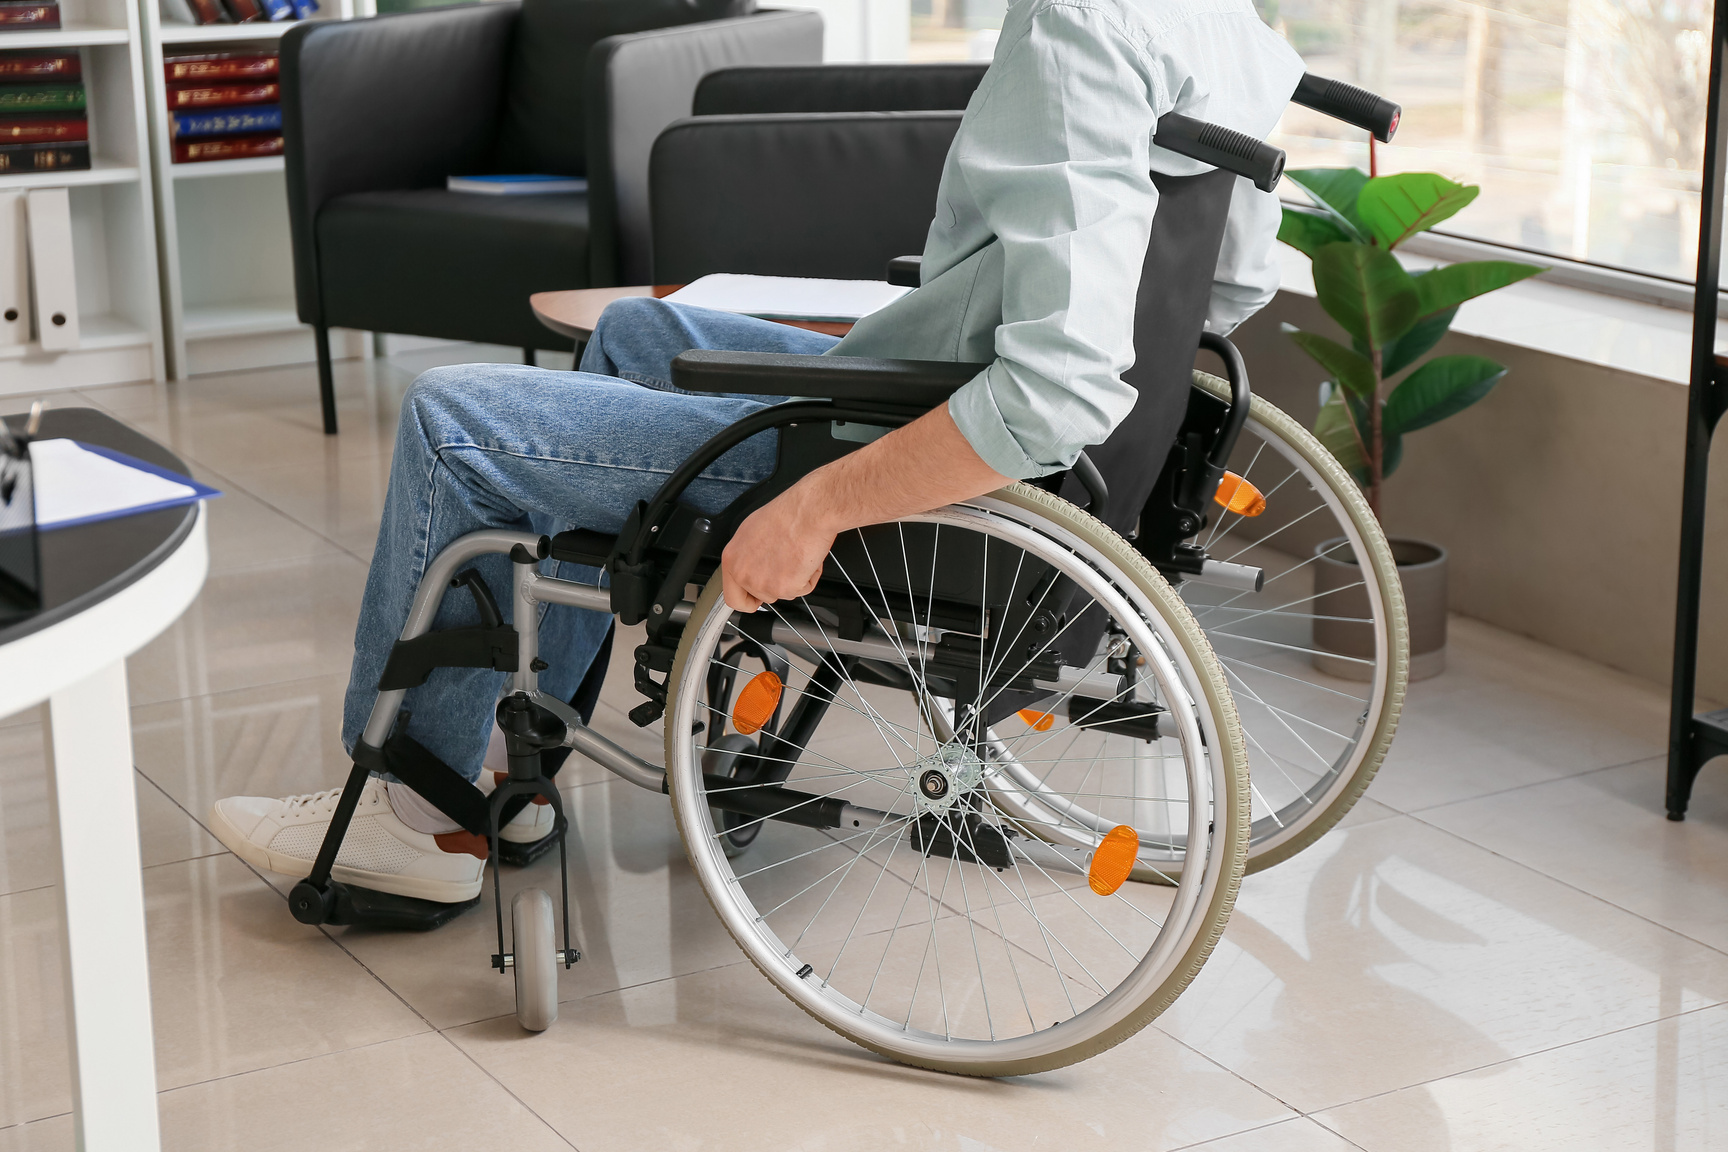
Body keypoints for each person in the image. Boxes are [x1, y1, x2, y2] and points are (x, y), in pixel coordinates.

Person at [208, 0, 1304, 905]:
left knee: (454, 419)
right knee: (635, 330)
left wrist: (819, 508)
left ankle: (413, 809)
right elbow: (1226, 292)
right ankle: (523, 754)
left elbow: (1056, 386)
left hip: (915, 442)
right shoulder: (1239, 37)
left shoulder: (1080, 27)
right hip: (981, 404)